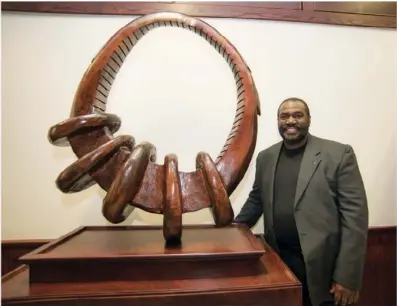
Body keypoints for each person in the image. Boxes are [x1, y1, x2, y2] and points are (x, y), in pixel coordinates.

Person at [234, 97, 369, 306]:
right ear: (278, 121)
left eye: (298, 115)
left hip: (324, 271)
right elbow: (256, 200)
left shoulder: (339, 154)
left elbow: (355, 219)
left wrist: (347, 277)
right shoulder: (265, 157)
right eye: (284, 116)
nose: (290, 121)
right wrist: (231, 230)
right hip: (278, 265)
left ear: (309, 119)